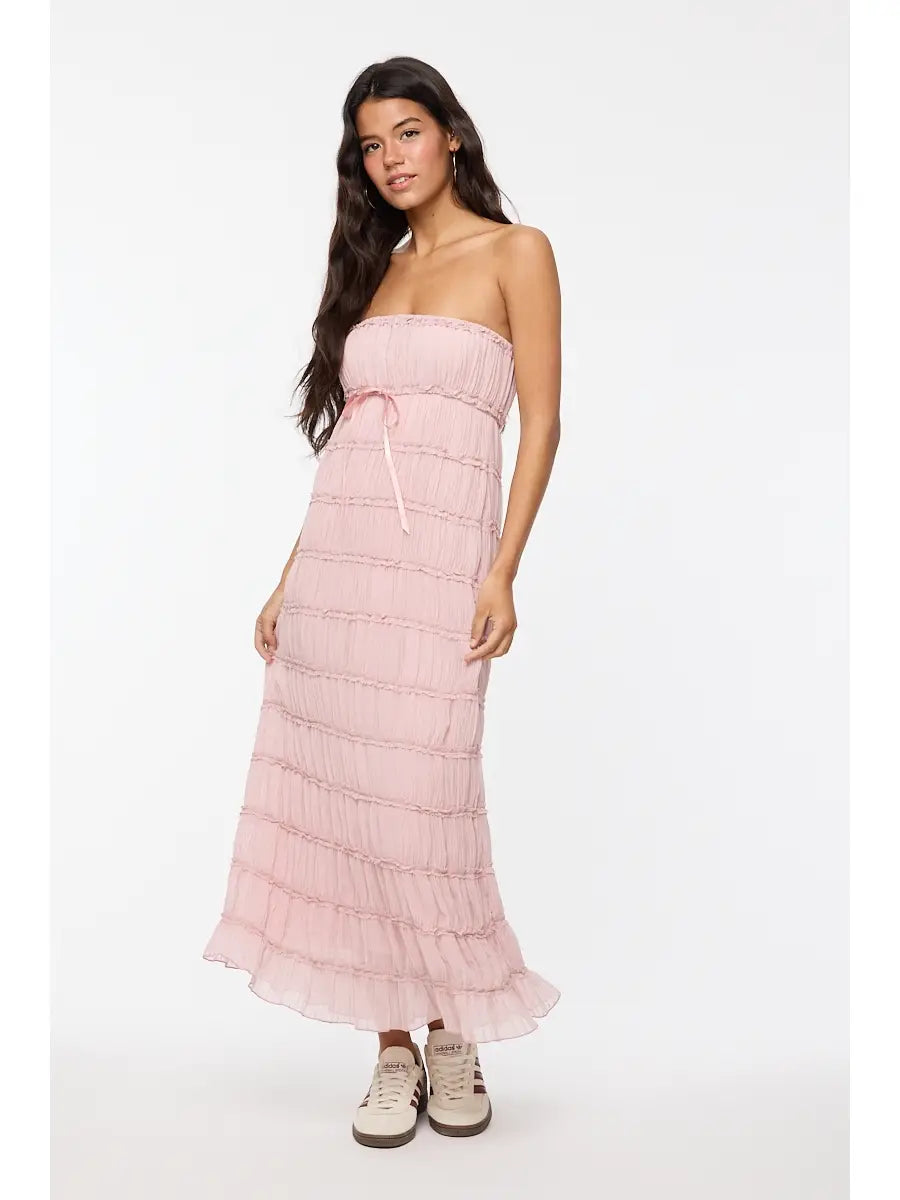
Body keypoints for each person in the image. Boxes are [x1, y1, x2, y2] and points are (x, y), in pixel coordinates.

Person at [202, 55, 562, 1149]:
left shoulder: (516, 251)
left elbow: (541, 422)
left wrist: (502, 569)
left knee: (423, 801)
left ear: (452, 134)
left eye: (407, 131)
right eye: (371, 144)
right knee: (358, 817)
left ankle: (456, 1033)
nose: (391, 157)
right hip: (341, 582)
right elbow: (351, 448)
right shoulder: (376, 270)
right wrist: (288, 578)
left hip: (443, 575)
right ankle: (395, 1049)